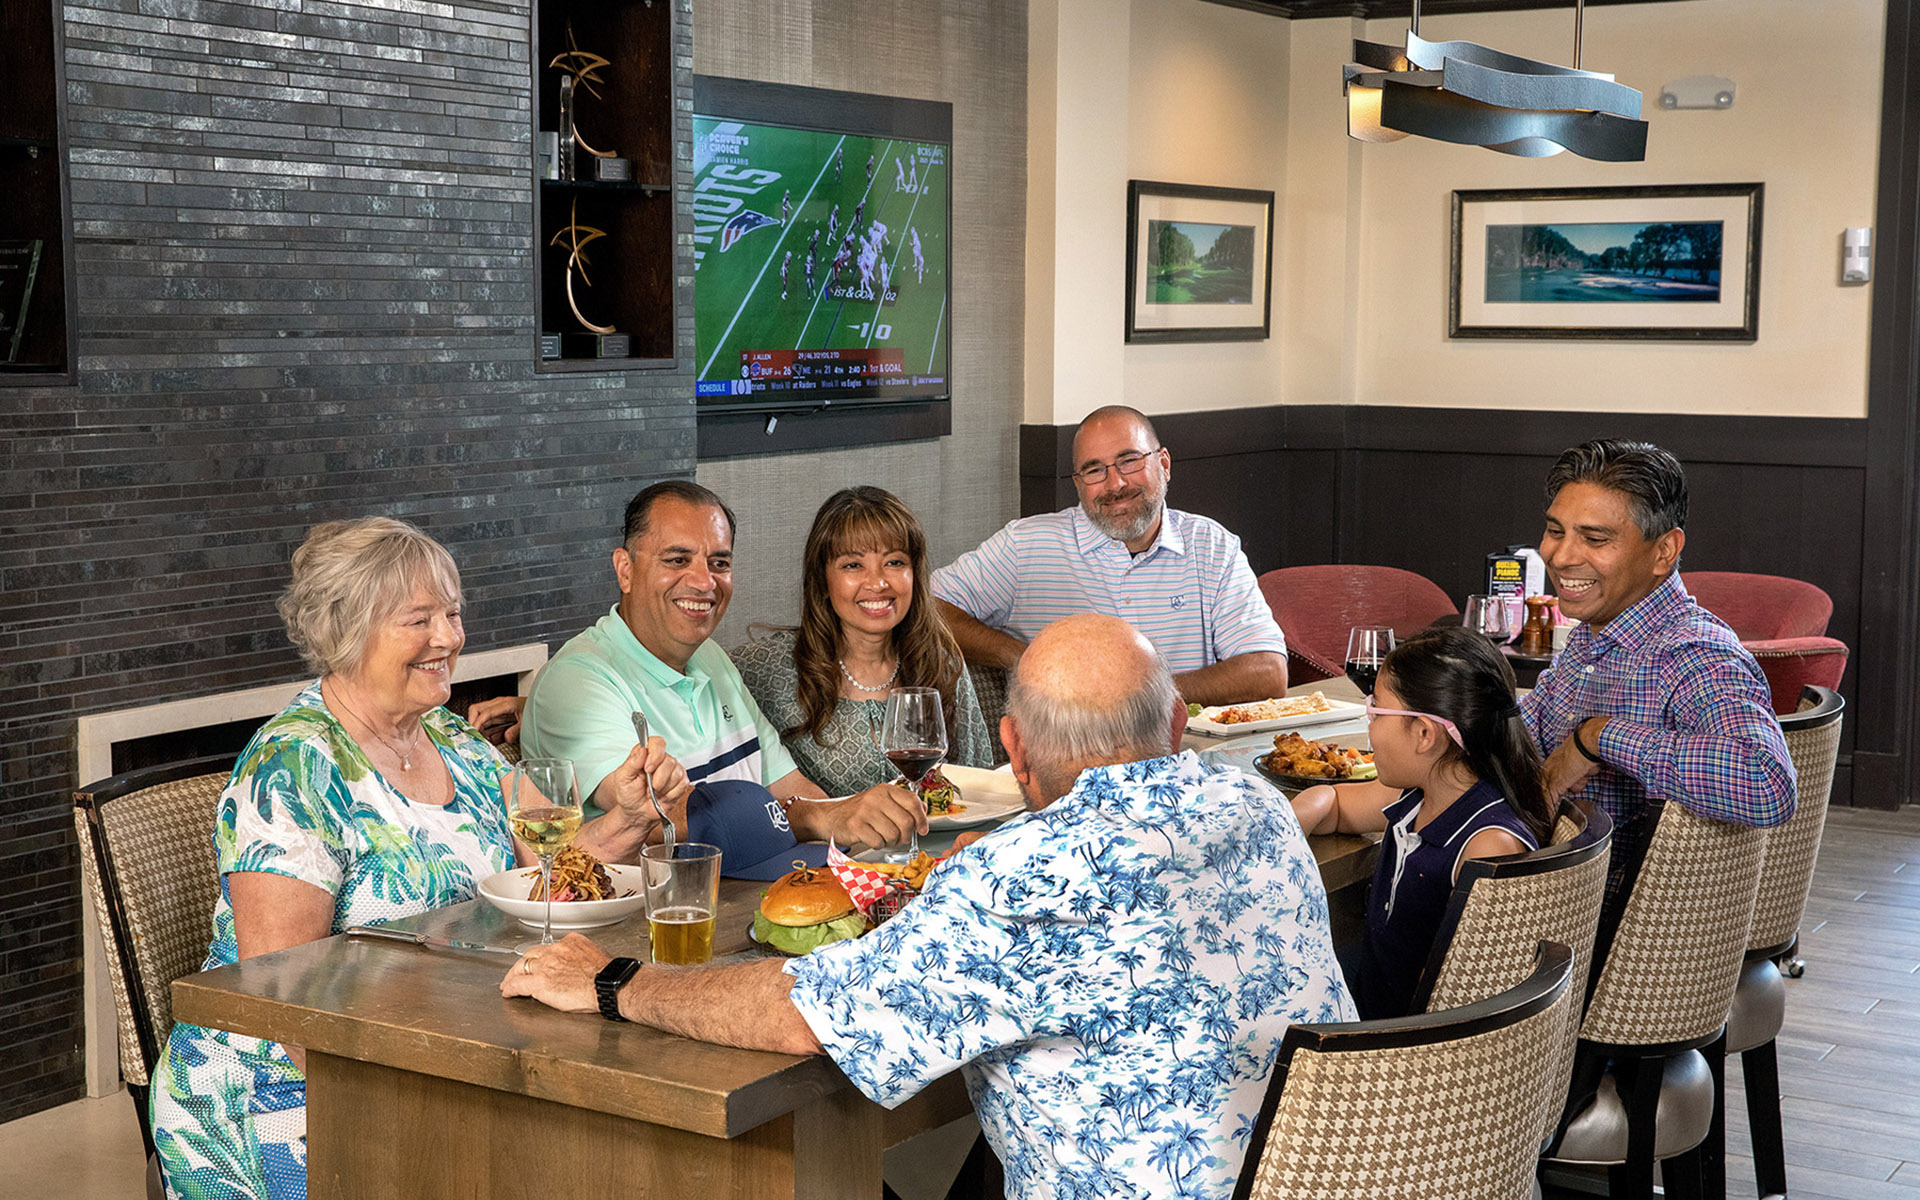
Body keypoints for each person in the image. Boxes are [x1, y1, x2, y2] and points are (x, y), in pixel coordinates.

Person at [503, 613, 1352, 1200]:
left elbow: (806, 1016)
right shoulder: (1258, 802)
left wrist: (616, 981)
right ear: (1173, 726)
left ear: (1014, 750)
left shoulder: (1020, 879)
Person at [150, 518, 685, 1200]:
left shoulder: (452, 737)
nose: (449, 638)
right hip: (285, 1092)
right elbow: (282, 1000)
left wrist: (630, 819)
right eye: (419, 620)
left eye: (453, 615)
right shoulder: (294, 766)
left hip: (448, 1050)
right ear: (349, 630)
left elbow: (551, 874)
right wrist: (424, 1114)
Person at [520, 481, 929, 857]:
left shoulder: (711, 657)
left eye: (719, 562)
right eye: (677, 559)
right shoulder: (577, 681)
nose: (704, 582)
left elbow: (792, 787)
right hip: (672, 901)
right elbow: (654, 812)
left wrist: (846, 819)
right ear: (625, 570)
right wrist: (817, 818)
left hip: (769, 875)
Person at [1520, 439, 1794, 900]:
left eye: (1594, 539)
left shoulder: (1693, 654)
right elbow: (1525, 733)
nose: (1561, 556)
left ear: (1664, 551)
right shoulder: (1593, 634)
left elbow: (1766, 783)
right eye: (1555, 530)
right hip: (1549, 888)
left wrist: (1597, 738)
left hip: (1590, 926)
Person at [933, 404, 1289, 705]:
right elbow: (929, 606)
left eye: (1129, 461)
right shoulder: (1026, 545)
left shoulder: (1212, 547)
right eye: (1094, 470)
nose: (1115, 484)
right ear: (1078, 484)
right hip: (1067, 755)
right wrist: (1022, 656)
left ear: (1164, 465)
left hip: (1191, 752)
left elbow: (1268, 672)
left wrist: (1137, 700)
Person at [1291, 627, 1551, 1018]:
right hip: (1374, 999)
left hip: (1398, 1036)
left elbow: (1465, 999)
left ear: (1425, 734)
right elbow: (1337, 804)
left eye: (1375, 711)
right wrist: (1294, 820)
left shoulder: (1487, 845)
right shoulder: (1418, 794)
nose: (1368, 727)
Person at [731, 487, 994, 796]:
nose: (878, 583)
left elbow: (977, 787)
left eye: (894, 562)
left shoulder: (941, 662)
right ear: (822, 581)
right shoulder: (766, 670)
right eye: (853, 565)